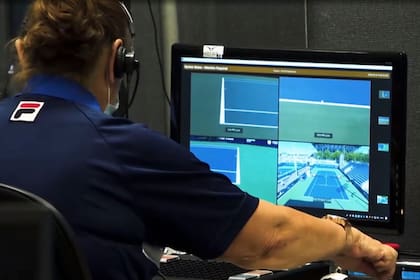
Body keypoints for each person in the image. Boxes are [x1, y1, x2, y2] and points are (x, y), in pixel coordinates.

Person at [0, 1, 397, 280]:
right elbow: (270, 242)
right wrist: (353, 242)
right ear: (117, 59)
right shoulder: (121, 150)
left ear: (20, 52)